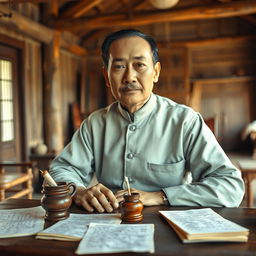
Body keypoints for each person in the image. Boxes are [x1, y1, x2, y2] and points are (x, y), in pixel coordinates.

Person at [49, 29, 244, 213]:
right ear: (107, 77)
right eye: (118, 67)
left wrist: (161, 196)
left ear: (156, 72)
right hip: (109, 222)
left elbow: (230, 186)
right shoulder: (95, 124)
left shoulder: (185, 121)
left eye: (139, 65)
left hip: (171, 227)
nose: (129, 77)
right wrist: (80, 191)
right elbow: (62, 169)